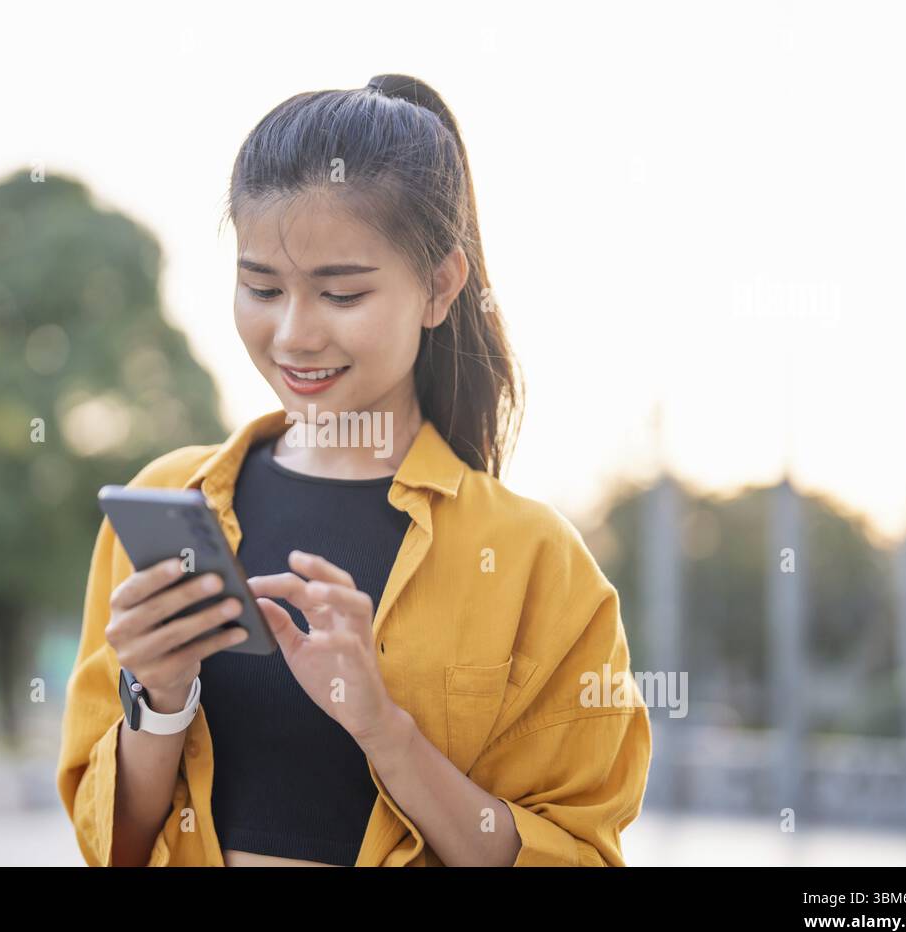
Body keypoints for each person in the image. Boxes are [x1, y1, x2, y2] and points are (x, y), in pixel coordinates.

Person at [56, 74, 651, 867]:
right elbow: (115, 848)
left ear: (440, 286)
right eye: (260, 287)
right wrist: (158, 703)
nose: (294, 334)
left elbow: (576, 855)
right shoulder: (172, 500)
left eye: (341, 294)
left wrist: (383, 727)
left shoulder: (536, 561)